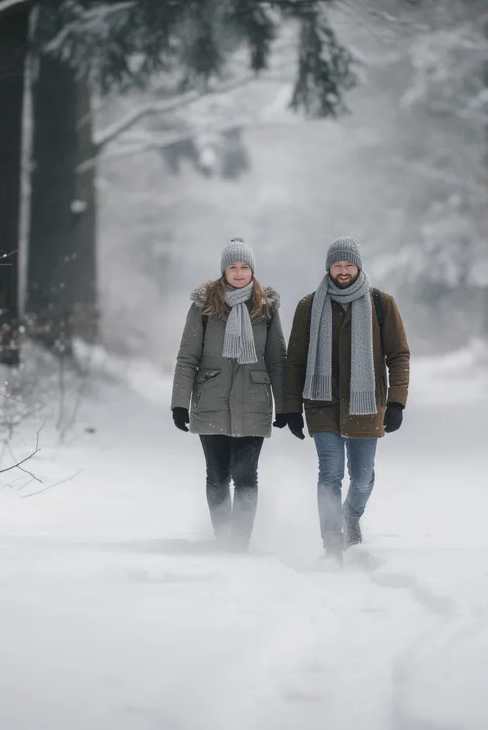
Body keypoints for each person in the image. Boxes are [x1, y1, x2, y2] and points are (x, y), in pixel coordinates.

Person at [279, 236, 411, 562]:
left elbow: (399, 356)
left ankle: (351, 516)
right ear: (329, 267)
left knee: (363, 477)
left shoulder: (381, 304)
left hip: (366, 403)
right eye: (337, 265)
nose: (343, 270)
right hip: (322, 403)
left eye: (348, 264)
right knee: (330, 473)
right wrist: (292, 408)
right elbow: (295, 360)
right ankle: (331, 545)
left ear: (358, 266)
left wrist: (396, 402)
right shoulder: (309, 307)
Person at [171, 237, 287, 551]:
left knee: (246, 475)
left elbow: (277, 359)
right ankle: (223, 537)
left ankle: (240, 541)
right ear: (224, 270)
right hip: (212, 400)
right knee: (218, 475)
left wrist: (286, 406)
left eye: (244, 267)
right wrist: (180, 403)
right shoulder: (204, 306)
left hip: (254, 401)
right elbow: (187, 357)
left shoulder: (266, 308)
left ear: (252, 270)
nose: (238, 273)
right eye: (233, 267)